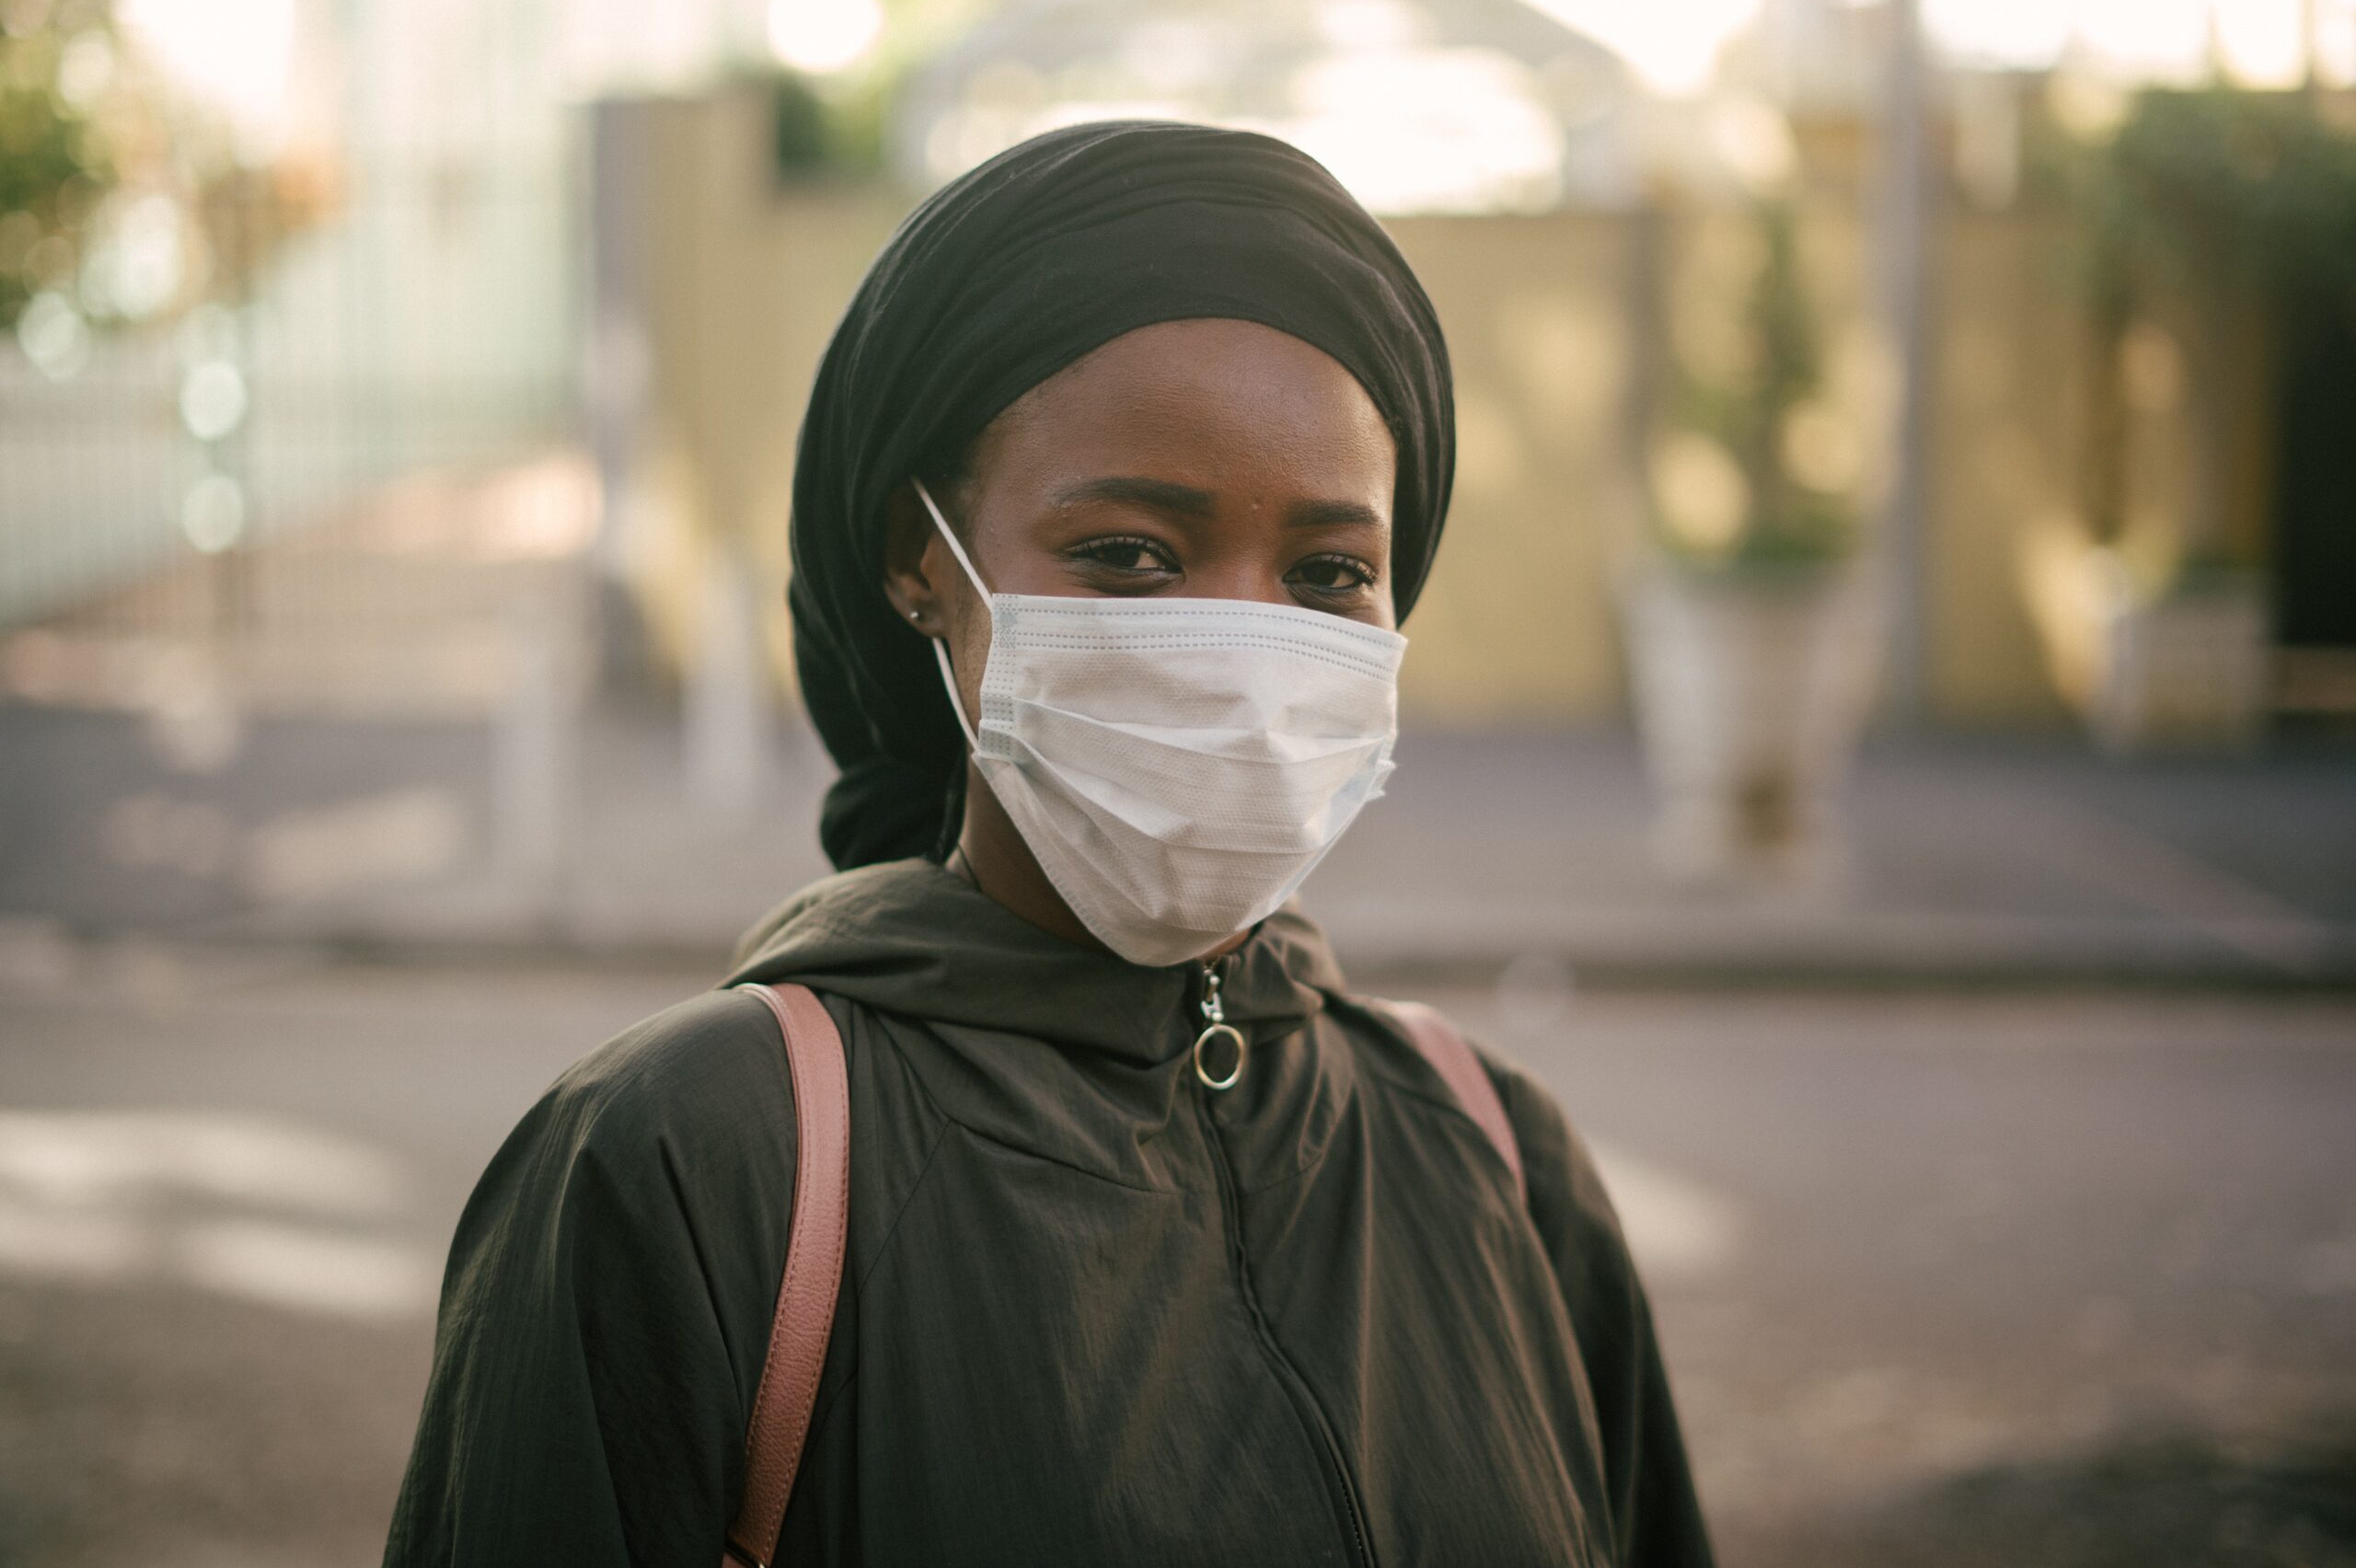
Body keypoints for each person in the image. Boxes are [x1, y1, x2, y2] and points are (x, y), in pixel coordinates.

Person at [384, 121, 1714, 1568]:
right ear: (922, 561)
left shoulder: (1500, 1158)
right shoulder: (692, 1164)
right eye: (1131, 552)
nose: (1242, 644)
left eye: (1331, 573)